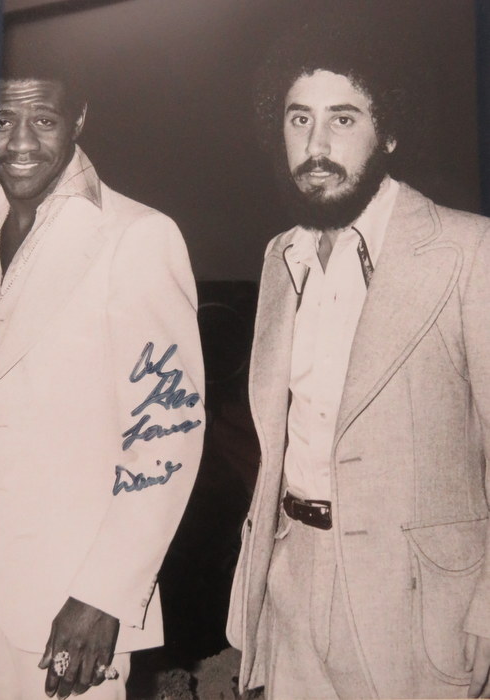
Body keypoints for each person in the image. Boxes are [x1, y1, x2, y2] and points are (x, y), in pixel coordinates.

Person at [227, 24, 490, 700]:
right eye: (298, 119)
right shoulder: (278, 256)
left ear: (388, 132)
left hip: (416, 604)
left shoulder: (468, 251)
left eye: (342, 119)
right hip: (288, 583)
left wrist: (486, 616)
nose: (315, 147)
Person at [0, 47, 204, 700]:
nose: (22, 142)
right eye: (2, 121)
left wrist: (103, 594)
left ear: (79, 118)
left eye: (45, 121)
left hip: (64, 598)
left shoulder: (137, 237)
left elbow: (166, 435)